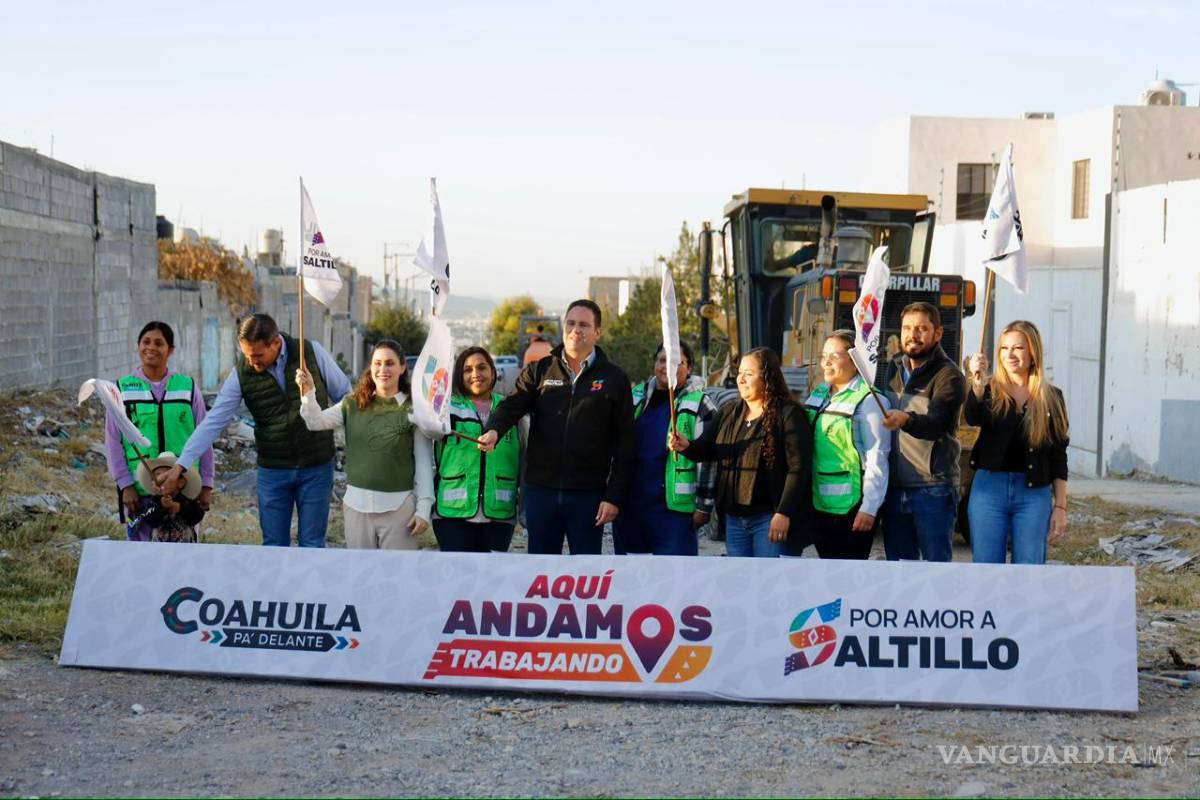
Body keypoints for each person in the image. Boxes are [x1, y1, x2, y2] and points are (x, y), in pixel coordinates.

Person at [160, 314, 351, 547]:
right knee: (273, 546)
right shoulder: (241, 374)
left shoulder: (310, 353)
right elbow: (214, 421)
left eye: (258, 356)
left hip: (317, 467)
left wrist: (329, 422)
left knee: (312, 543)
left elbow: (346, 395)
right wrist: (180, 466)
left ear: (276, 343)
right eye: (246, 355)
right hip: (273, 470)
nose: (252, 362)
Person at [477, 299, 634, 555]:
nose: (576, 330)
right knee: (541, 570)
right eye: (570, 323)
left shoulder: (615, 378)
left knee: (586, 574)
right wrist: (495, 429)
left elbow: (625, 443)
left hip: (588, 495)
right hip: (541, 491)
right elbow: (512, 406)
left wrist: (613, 496)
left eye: (584, 324)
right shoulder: (539, 370)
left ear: (598, 332)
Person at [669, 347, 810, 558]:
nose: (741, 379)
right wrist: (686, 445)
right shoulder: (729, 412)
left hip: (769, 519)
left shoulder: (789, 415)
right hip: (734, 521)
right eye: (740, 372)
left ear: (768, 377)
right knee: (741, 584)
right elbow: (707, 450)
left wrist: (784, 512)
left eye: (749, 374)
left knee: (769, 584)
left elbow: (798, 469)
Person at [296, 339, 433, 550]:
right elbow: (315, 422)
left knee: (397, 577)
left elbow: (424, 464)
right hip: (356, 507)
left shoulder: (414, 410)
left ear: (402, 367)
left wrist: (423, 509)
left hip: (399, 510)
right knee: (360, 577)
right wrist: (308, 392)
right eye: (377, 363)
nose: (382, 369)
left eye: (389, 363)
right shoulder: (352, 403)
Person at [965, 321, 1070, 564]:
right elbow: (972, 417)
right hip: (989, 489)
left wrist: (1061, 507)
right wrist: (976, 387)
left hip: (1034, 493)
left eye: (1018, 348)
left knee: (1029, 570)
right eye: (1004, 348)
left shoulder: (1052, 397)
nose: (1010, 355)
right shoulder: (989, 390)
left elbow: (1058, 455)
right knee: (986, 568)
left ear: (1033, 352)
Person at [104, 321, 214, 542]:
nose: (151, 348)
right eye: (146, 342)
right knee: (143, 557)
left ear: (170, 350)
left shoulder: (188, 388)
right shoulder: (122, 389)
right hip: (140, 490)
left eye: (159, 343)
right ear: (138, 346)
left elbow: (205, 437)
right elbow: (113, 442)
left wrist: (206, 484)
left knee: (184, 551)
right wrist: (125, 485)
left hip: (184, 487)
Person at [880, 302, 966, 562]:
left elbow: (937, 423)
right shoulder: (893, 367)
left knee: (935, 572)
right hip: (894, 489)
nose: (912, 335)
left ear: (937, 333)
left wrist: (906, 419)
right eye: (907, 328)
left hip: (933, 489)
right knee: (899, 572)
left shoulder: (949, 376)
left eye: (921, 328)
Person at [614, 341, 717, 556]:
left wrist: (704, 507)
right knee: (633, 582)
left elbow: (711, 459)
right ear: (655, 363)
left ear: (689, 368)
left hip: (674, 515)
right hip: (631, 510)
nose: (667, 367)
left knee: (675, 583)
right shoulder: (635, 397)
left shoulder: (701, 403)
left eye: (677, 362)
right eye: (663, 360)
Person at [803, 330, 891, 559]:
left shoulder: (871, 400)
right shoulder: (819, 394)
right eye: (824, 356)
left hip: (852, 508)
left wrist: (869, 508)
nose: (826, 362)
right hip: (819, 503)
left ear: (855, 360)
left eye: (834, 355)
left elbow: (877, 458)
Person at [432, 346, 524, 553]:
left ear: (493, 372)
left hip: (499, 513)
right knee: (457, 580)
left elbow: (526, 457)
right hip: (451, 515)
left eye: (482, 367)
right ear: (459, 375)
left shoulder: (511, 410)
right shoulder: (446, 409)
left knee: (491, 581)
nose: (475, 374)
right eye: (468, 370)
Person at [128, 453, 206, 543]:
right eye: (157, 475)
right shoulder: (153, 501)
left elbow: (197, 515)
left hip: (185, 548)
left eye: (166, 476)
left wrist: (180, 507)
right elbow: (149, 519)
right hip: (159, 548)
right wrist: (161, 507)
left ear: (181, 483)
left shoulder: (186, 501)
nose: (161, 480)